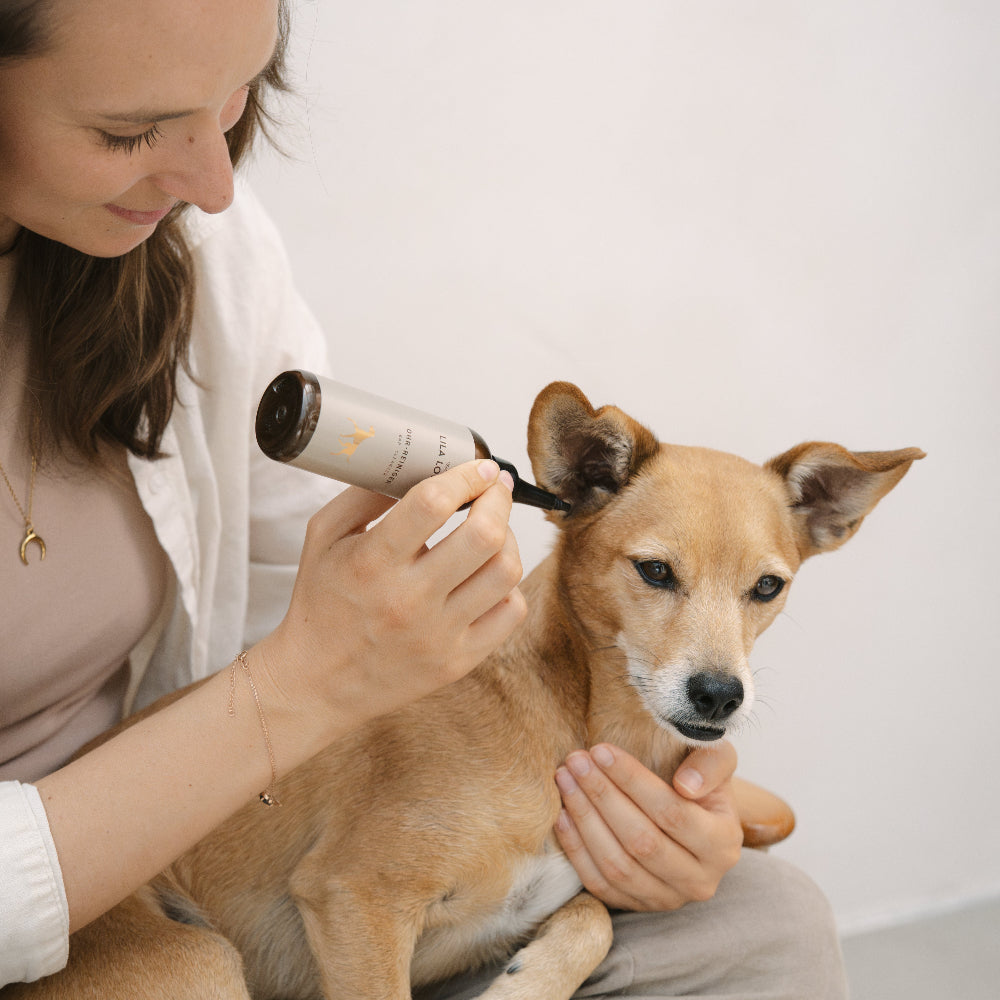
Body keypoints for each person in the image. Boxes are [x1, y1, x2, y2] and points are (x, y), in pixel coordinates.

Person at [0, 1, 847, 996]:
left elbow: (293, 584)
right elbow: (330, 798)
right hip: (85, 906)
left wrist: (657, 820)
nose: (218, 184)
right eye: (129, 131)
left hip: (233, 830)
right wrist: (300, 686)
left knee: (767, 925)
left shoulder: (197, 245)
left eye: (235, 99)